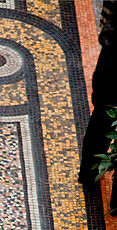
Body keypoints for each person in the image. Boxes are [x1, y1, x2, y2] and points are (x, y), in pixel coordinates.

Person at [79, 1, 117, 212]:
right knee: (104, 112)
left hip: (112, 52)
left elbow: (108, 10)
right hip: (113, 52)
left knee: (103, 114)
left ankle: (89, 172)